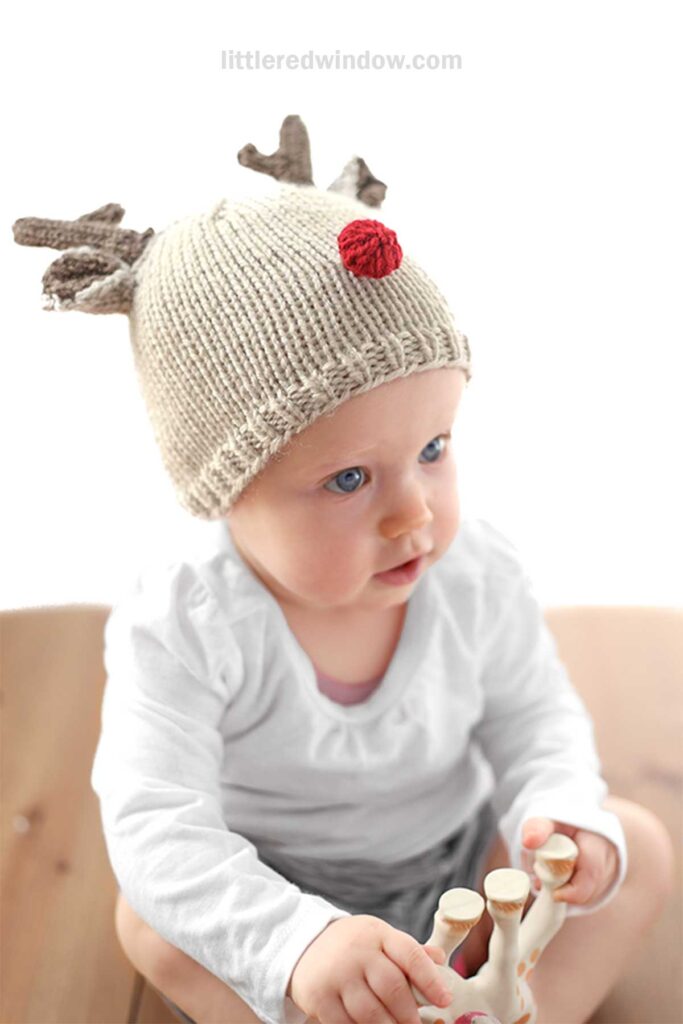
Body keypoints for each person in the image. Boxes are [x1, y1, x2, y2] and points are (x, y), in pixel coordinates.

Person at [13, 114, 673, 1024]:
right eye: (349, 479)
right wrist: (293, 942)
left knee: (635, 845)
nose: (416, 513)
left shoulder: (473, 570)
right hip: (274, 892)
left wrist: (558, 815)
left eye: (434, 447)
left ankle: (518, 1011)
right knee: (150, 924)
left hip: (460, 870)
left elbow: (534, 716)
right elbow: (157, 824)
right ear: (226, 491)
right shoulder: (185, 614)